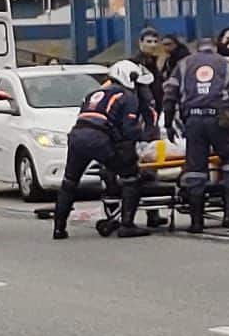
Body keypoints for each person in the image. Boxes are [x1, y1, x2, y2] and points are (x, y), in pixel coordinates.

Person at [52, 60, 155, 240]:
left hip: (76, 136)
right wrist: (139, 144)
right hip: (99, 138)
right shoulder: (127, 96)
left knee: (69, 182)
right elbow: (129, 128)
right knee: (131, 177)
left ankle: (59, 228)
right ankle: (127, 225)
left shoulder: (95, 92)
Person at [162, 38, 229, 232]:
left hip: (193, 121)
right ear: (215, 49)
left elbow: (169, 95)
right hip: (220, 119)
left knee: (196, 167)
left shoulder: (183, 65)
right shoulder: (225, 64)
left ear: (196, 49)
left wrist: (168, 123)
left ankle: (197, 221)